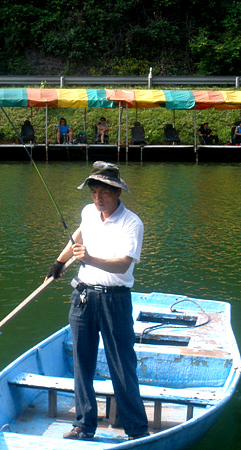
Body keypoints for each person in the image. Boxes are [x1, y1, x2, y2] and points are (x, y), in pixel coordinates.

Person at [46, 161, 149, 442]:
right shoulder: (89, 212)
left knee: (121, 364)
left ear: (117, 192)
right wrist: (60, 261)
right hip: (83, 297)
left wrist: (90, 259)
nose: (97, 198)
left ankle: (136, 429)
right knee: (82, 362)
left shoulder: (132, 223)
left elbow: (124, 265)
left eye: (104, 192)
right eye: (93, 192)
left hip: (115, 299)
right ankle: (83, 425)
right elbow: (79, 234)